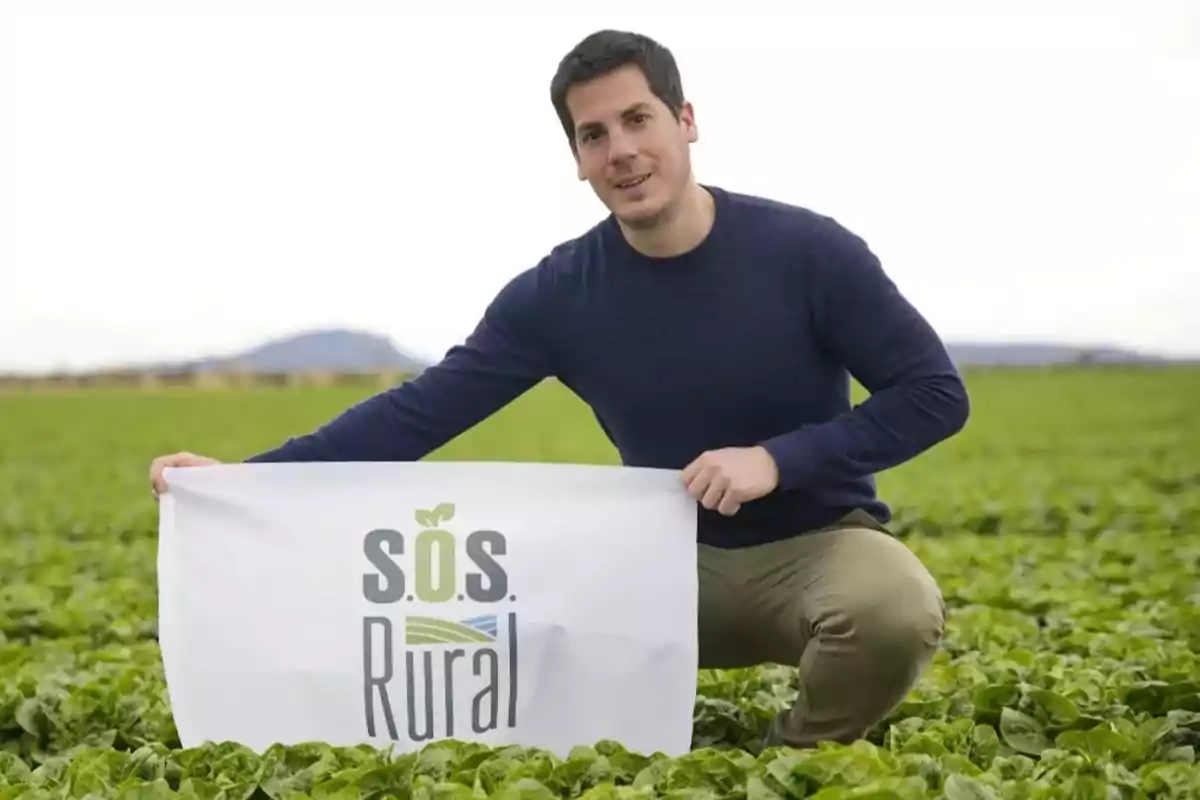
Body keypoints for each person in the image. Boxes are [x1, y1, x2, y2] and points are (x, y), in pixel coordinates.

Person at [150, 29, 968, 751]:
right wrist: (239, 482)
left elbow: (934, 391)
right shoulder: (558, 294)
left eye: (639, 120)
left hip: (817, 542)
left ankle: (796, 758)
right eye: (593, 134)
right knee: (465, 619)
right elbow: (418, 413)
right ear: (577, 159)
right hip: (657, 561)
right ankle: (589, 741)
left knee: (891, 609)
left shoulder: (809, 252)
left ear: (686, 122)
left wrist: (778, 459)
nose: (621, 151)